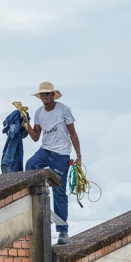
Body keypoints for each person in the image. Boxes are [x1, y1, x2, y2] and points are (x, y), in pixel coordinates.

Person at [24, 81, 81, 245]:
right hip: (45, 150)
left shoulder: (64, 110)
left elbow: (73, 134)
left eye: (47, 94)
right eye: (42, 94)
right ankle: (38, 198)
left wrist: (78, 155)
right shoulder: (39, 113)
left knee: (60, 192)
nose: (44, 97)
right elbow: (35, 137)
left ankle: (63, 232)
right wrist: (25, 122)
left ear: (53, 95)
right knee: (30, 165)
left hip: (61, 154)